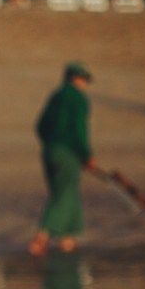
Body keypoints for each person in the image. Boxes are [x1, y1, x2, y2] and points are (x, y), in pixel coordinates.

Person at [29, 61, 98, 256]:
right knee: (63, 193)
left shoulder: (56, 96)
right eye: (84, 79)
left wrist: (51, 144)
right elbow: (79, 130)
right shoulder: (78, 99)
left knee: (66, 191)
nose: (85, 83)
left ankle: (67, 241)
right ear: (75, 78)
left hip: (49, 151)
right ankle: (40, 238)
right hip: (68, 153)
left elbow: (40, 126)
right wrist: (86, 155)